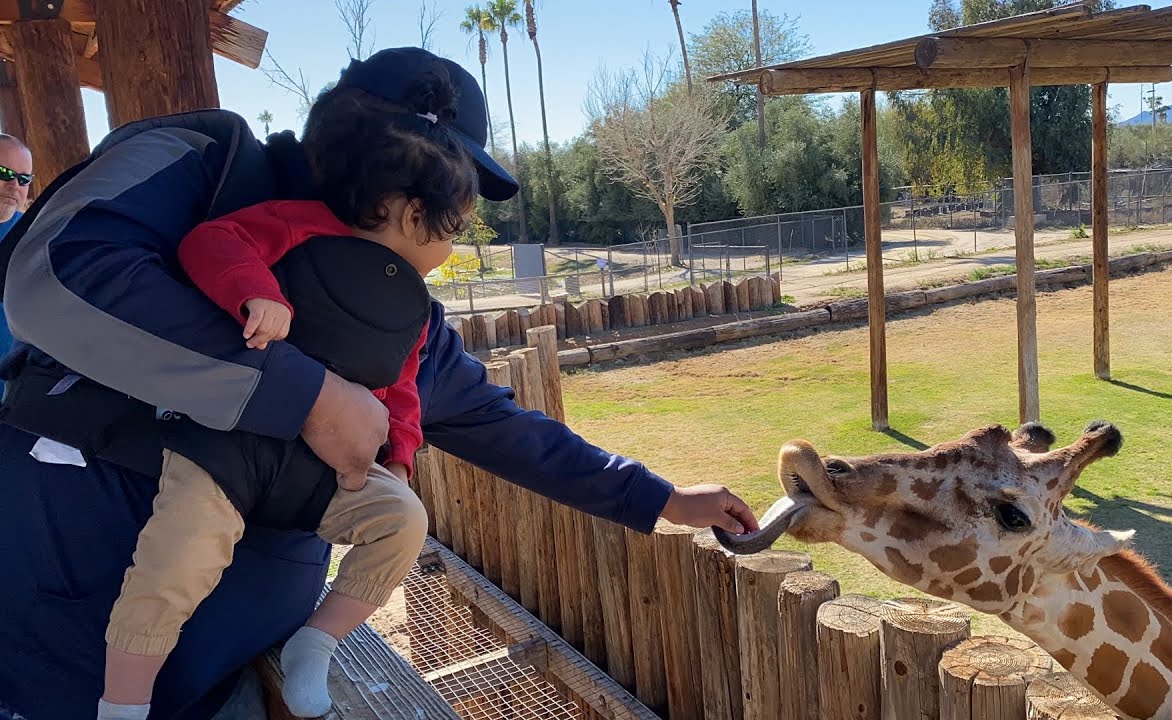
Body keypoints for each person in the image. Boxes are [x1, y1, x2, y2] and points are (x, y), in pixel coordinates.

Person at [0, 48, 757, 720]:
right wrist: (306, 395)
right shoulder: (204, 162)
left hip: (233, 672)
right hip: (51, 666)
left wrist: (657, 497)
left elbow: (503, 426)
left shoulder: (400, 315)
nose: (443, 220)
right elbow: (56, 279)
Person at [97, 62, 480, 720]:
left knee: (404, 521)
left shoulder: (413, 305)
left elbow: (403, 388)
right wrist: (256, 292)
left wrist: (398, 461)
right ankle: (123, 702)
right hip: (227, 444)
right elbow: (216, 240)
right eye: (450, 228)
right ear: (407, 210)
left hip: (318, 470)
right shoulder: (301, 223)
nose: (450, 245)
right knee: (176, 559)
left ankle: (318, 641)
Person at [0, 133, 32, 366]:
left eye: (24, 179)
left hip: (16, 390)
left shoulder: (36, 234)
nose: (14, 185)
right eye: (4, 174)